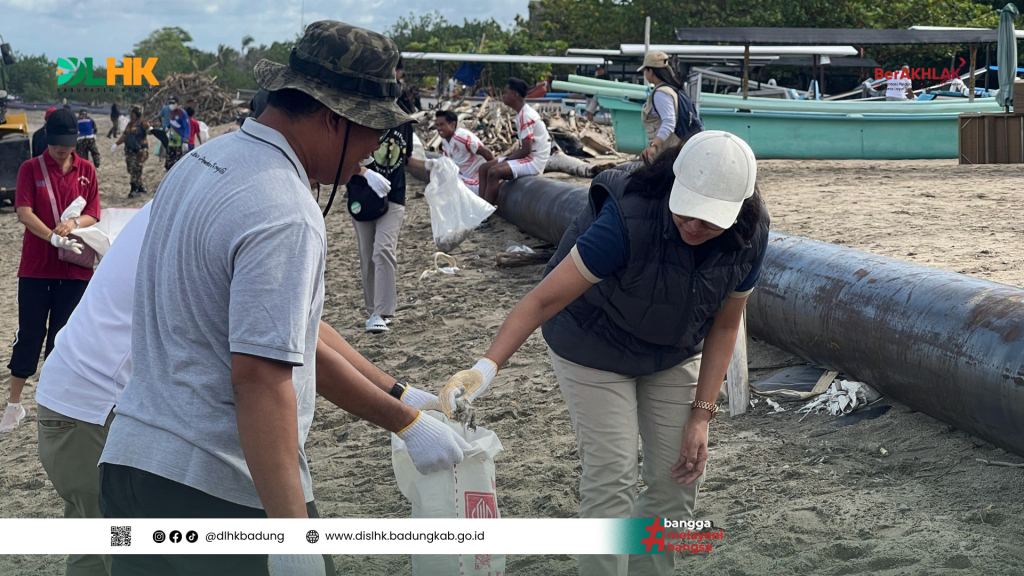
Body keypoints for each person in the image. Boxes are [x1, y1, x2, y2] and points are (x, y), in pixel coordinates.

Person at [97, 21, 469, 576]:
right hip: (216, 486)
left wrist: (401, 405)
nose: (372, 151)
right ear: (334, 118)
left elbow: (287, 333)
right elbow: (259, 378)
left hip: (131, 463)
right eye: (373, 130)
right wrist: (292, 536)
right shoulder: (285, 210)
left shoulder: (201, 162)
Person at [36, 200, 445, 576]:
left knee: (93, 555)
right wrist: (406, 421)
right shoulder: (241, 210)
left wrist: (399, 392)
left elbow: (301, 327)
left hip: (69, 404)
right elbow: (280, 357)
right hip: (100, 414)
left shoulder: (198, 194)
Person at [443, 131, 769, 576]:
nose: (694, 226)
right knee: (612, 477)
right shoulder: (628, 219)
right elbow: (541, 300)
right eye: (686, 211)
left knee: (678, 479)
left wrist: (701, 417)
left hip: (672, 350)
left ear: (736, 211)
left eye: (709, 221)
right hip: (592, 342)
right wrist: (485, 368)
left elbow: (727, 325)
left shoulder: (750, 236)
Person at [1, 108, 100, 433]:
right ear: (47, 138)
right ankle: (14, 404)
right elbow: (24, 212)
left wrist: (73, 224)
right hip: (36, 267)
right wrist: (52, 237)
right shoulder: (31, 168)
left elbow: (94, 212)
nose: (61, 149)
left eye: (66, 143)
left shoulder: (86, 170)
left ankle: (55, 402)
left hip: (74, 270)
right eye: (56, 142)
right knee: (30, 333)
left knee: (64, 336)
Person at [345, 57, 417, 334]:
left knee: (383, 250)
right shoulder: (360, 118)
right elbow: (344, 158)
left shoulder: (404, 120)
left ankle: (382, 312)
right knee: (367, 255)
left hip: (394, 194)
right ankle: (372, 309)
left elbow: (406, 158)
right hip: (361, 194)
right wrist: (366, 173)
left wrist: (438, 170)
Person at [477, 77, 551, 205]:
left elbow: (526, 150)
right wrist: (506, 160)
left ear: (515, 95)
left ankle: (486, 210)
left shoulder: (526, 116)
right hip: (529, 156)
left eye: (505, 93)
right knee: (483, 168)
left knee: (494, 172)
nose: (503, 96)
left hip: (534, 160)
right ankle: (480, 205)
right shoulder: (522, 114)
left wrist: (506, 160)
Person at [409, 110, 494, 194]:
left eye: (442, 125)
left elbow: (487, 153)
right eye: (437, 125)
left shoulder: (462, 138)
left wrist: (493, 176)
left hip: (476, 181)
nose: (439, 128)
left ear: (452, 124)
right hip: (463, 178)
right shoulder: (445, 141)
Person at [639, 50, 700, 164]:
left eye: (646, 70)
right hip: (676, 147)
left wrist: (654, 146)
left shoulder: (661, 93)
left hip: (666, 150)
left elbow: (669, 122)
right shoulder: (673, 89)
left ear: (650, 71)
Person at [111, 105, 151, 198]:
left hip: (140, 150)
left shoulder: (143, 123)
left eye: (133, 114)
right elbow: (125, 135)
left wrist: (151, 130)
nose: (131, 115)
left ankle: (134, 189)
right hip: (130, 150)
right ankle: (139, 185)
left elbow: (148, 130)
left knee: (136, 169)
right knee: (132, 169)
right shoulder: (130, 124)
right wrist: (116, 144)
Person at [160, 96, 190, 170]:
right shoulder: (171, 112)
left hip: (180, 139)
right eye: (169, 103)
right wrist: (167, 128)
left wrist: (186, 139)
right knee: (169, 161)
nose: (171, 105)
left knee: (178, 161)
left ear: (177, 103)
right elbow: (171, 123)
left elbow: (187, 127)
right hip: (171, 139)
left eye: (173, 103)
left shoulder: (182, 113)